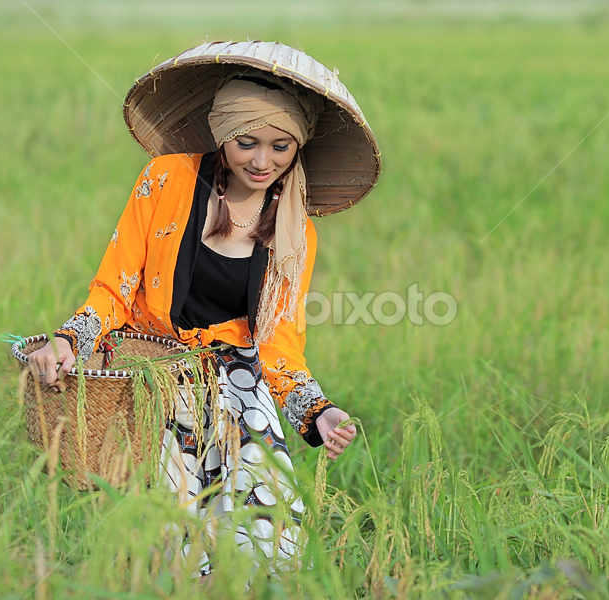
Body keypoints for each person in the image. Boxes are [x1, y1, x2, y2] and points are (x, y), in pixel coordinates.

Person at [25, 41, 381, 576]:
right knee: (172, 541)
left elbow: (279, 345)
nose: (262, 162)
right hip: (155, 372)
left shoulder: (295, 232)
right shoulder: (166, 180)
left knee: (267, 531)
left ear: (298, 147)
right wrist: (68, 340)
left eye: (281, 147)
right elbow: (115, 288)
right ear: (221, 133)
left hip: (238, 384)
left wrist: (318, 412)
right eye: (246, 142)